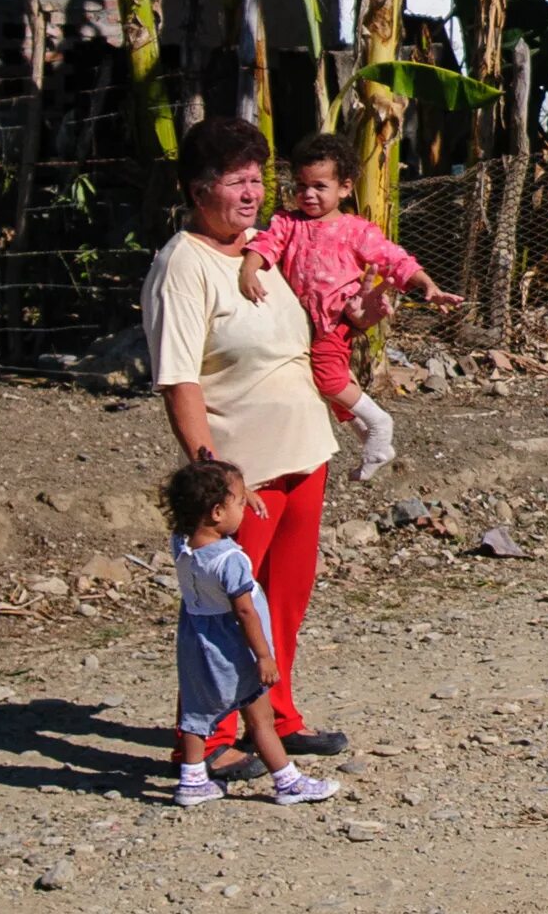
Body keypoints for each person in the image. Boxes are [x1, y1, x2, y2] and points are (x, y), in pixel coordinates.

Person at [141, 117, 349, 782]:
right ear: (201, 190)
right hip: (243, 472)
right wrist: (213, 476)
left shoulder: (258, 252)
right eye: (238, 180)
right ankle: (208, 737)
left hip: (303, 450)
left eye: (259, 179)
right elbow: (180, 377)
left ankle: (279, 719)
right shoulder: (183, 266)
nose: (254, 192)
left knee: (283, 599)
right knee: (225, 609)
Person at [240, 133, 461, 481]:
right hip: (300, 325)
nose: (308, 194)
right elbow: (266, 244)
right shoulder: (287, 222)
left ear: (344, 188)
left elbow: (395, 259)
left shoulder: (356, 231)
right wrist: (248, 268)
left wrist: (427, 285)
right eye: (301, 185)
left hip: (332, 322)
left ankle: (378, 424)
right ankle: (371, 443)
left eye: (319, 186)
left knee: (329, 382)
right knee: (324, 386)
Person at [164, 459, 336, 809]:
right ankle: (287, 781)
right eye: (240, 502)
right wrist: (264, 655)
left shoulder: (181, 544)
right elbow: (244, 611)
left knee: (197, 714)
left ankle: (192, 780)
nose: (246, 509)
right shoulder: (230, 559)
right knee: (261, 720)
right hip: (233, 644)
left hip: (195, 638)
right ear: (216, 512)